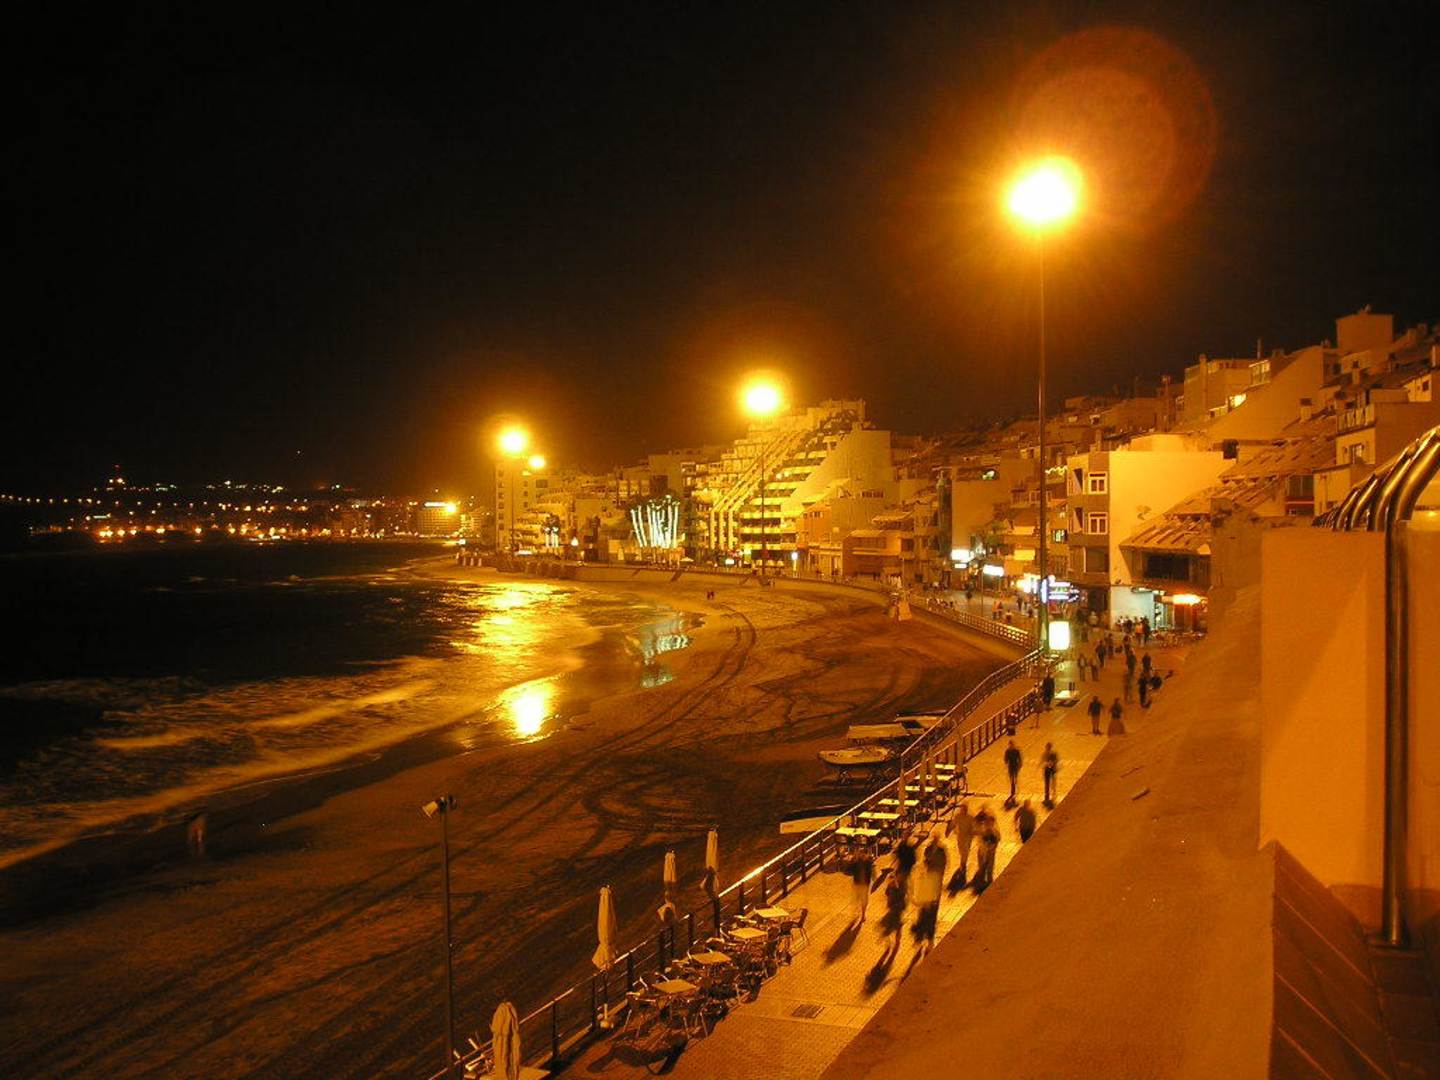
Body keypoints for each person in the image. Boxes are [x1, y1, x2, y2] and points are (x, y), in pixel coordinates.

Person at [947, 801, 975, 892]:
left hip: (967, 838)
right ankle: (963, 864)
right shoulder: (958, 817)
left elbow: (973, 827)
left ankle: (963, 864)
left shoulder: (970, 818)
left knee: (965, 852)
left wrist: (972, 834)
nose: (963, 810)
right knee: (961, 851)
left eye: (964, 809)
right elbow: (953, 824)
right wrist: (948, 831)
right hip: (960, 837)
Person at [973, 809, 1000, 891]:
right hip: (982, 852)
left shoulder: (994, 832)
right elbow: (975, 829)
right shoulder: (983, 830)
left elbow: (997, 840)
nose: (988, 824)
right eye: (987, 822)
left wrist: (991, 847)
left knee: (989, 869)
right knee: (982, 869)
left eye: (989, 822)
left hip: (989, 853)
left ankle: (988, 885)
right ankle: (983, 885)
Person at [849, 850, 874, 923]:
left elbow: (871, 873)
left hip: (865, 884)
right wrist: (853, 861)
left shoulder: (868, 862)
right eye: (861, 855)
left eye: (864, 855)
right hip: (857, 883)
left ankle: (863, 914)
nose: (863, 856)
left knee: (864, 900)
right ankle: (858, 911)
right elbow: (850, 871)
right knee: (857, 898)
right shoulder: (856, 862)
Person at [1003, 739, 1022, 807]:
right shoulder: (1007, 751)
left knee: (1015, 779)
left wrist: (1020, 765)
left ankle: (1014, 790)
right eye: (1010, 745)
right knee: (1011, 779)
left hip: (1015, 766)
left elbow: (1019, 759)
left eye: (1011, 745)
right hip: (1010, 767)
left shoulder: (1016, 751)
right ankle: (1013, 790)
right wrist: (1006, 761)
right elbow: (1005, 759)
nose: (1011, 746)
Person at [1041, 742, 1059, 807]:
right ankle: (1047, 797)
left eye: (1048, 747)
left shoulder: (1053, 754)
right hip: (1047, 770)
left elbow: (1056, 760)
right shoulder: (1045, 754)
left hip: (1052, 770)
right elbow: (1043, 760)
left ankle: (1052, 796)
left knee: (1052, 784)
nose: (1047, 749)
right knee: (1047, 784)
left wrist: (1052, 763)